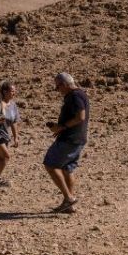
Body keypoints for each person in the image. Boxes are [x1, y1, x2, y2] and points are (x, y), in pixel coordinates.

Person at [44, 72, 89, 214]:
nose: (58, 91)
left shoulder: (75, 96)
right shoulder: (79, 94)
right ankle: (69, 205)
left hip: (70, 138)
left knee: (50, 164)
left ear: (64, 85)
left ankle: (69, 198)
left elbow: (80, 117)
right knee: (67, 169)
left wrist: (62, 127)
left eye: (58, 87)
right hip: (76, 138)